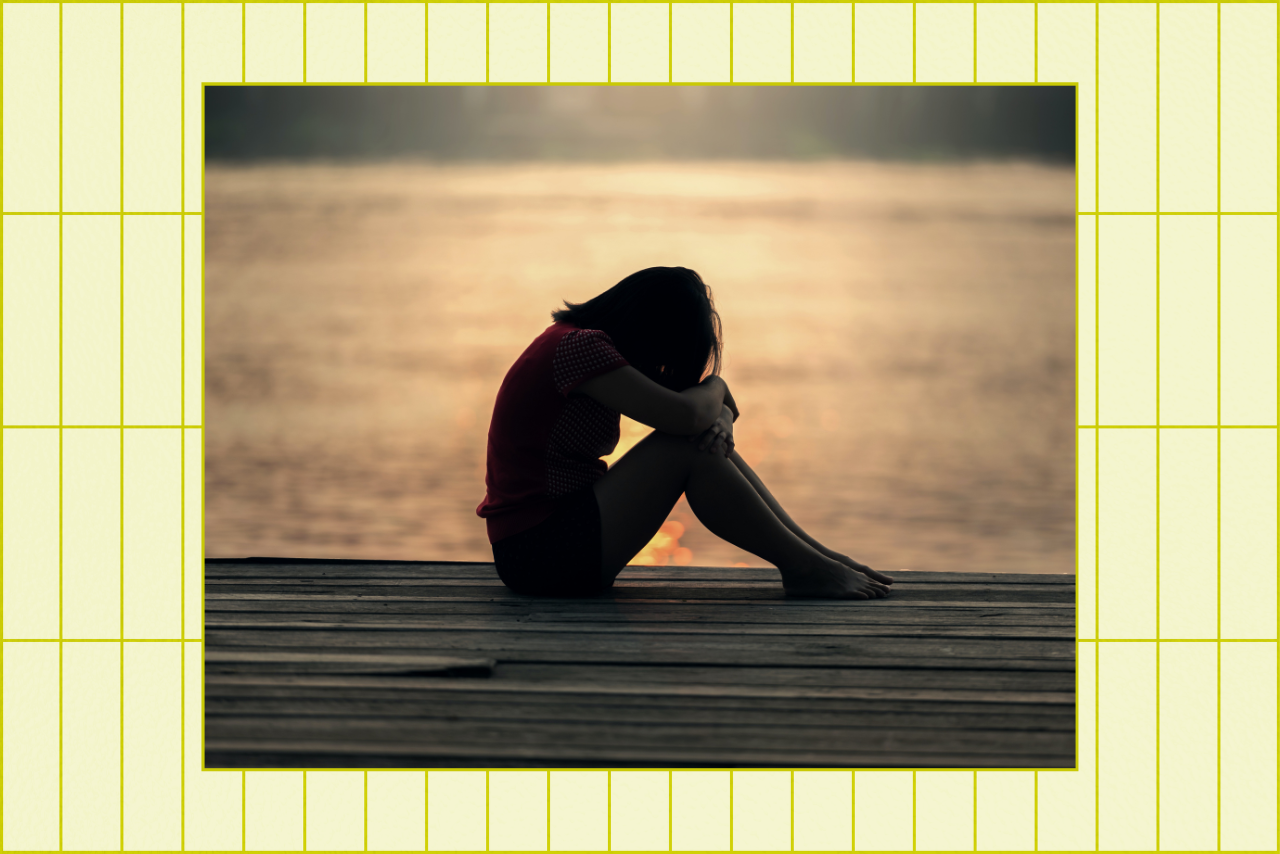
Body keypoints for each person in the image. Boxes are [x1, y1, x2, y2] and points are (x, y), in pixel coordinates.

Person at [476, 266, 894, 599]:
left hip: (548, 546)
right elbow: (687, 416)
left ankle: (816, 558)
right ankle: (806, 568)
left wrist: (722, 415)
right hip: (539, 554)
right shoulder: (580, 348)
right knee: (683, 446)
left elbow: (698, 415)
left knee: (694, 442)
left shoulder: (576, 345)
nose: (662, 367)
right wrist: (719, 386)